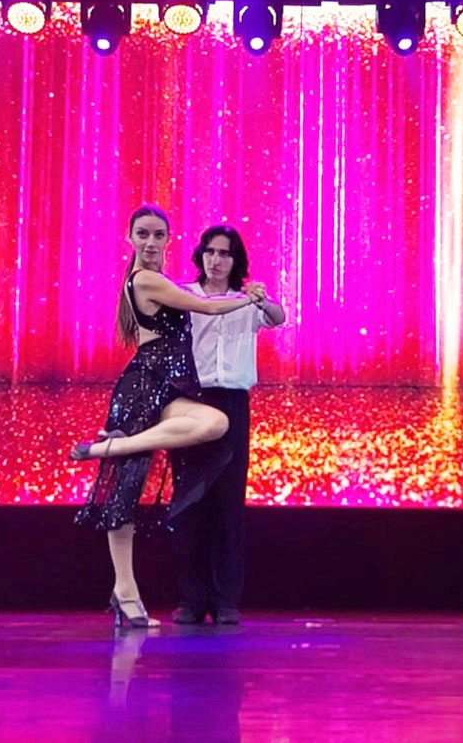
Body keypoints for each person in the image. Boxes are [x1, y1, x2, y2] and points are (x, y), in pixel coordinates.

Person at [70, 205, 264, 628]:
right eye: (143, 234)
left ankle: (114, 446)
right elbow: (205, 307)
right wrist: (245, 297)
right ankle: (126, 593)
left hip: (168, 387)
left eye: (159, 235)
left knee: (215, 423)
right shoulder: (146, 279)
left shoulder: (156, 279)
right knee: (125, 492)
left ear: (169, 239)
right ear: (130, 238)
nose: (151, 242)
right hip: (145, 385)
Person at [172, 225, 285, 626]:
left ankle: (225, 601)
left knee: (227, 504)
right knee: (190, 502)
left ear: (235, 261)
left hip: (232, 403)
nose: (216, 260)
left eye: (224, 253)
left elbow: (279, 317)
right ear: (200, 255)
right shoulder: (184, 296)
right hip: (191, 403)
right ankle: (191, 600)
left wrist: (260, 298)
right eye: (210, 252)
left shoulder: (246, 300)